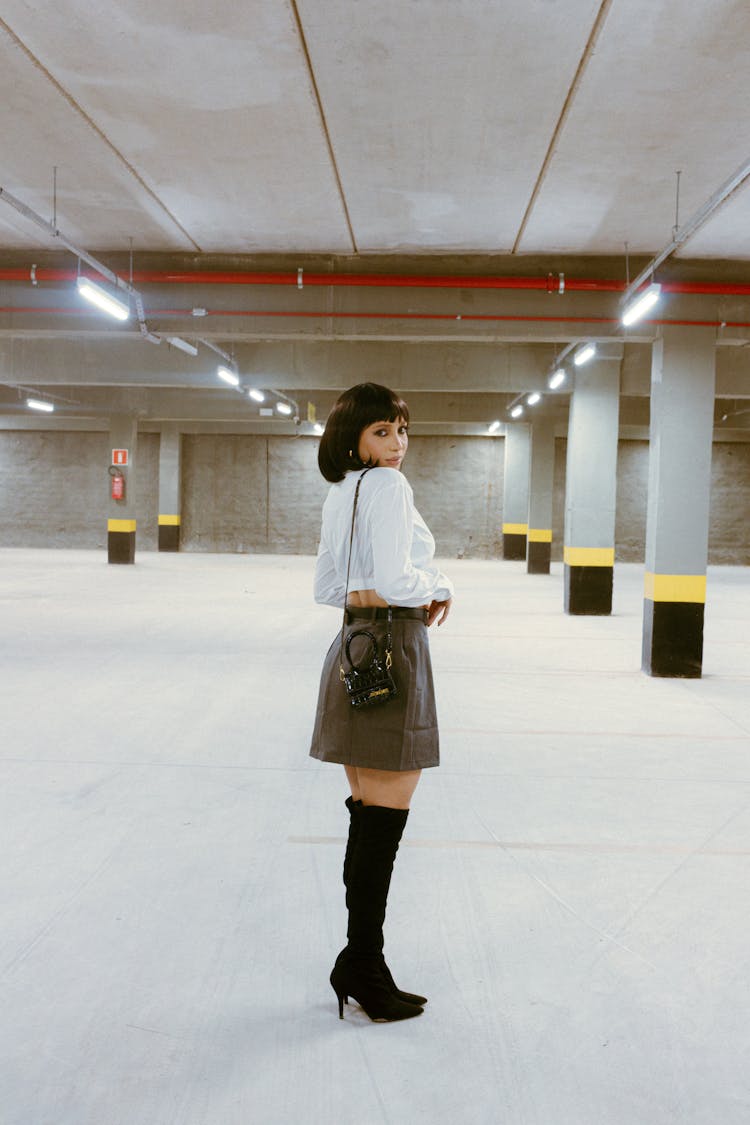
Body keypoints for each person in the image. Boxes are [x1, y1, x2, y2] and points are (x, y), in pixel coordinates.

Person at [310, 382, 453, 1022]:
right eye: (381, 433)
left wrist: (379, 590)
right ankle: (364, 963)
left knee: (367, 816)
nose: (396, 446)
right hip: (395, 646)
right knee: (382, 825)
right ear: (352, 438)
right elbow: (399, 581)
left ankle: (361, 960)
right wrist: (438, 583)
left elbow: (326, 587)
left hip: (352, 646)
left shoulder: (341, 493)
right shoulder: (388, 488)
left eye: (401, 431)